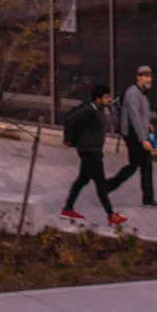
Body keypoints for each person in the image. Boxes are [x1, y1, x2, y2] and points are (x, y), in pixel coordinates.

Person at [59, 86, 122, 227]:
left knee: (82, 179)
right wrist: (67, 139)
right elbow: (69, 118)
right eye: (106, 97)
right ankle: (111, 215)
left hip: (92, 150)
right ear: (98, 99)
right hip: (89, 151)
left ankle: (67, 209)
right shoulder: (89, 109)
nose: (109, 99)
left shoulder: (98, 110)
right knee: (101, 183)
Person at [115, 63, 157, 210]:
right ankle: (106, 187)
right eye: (145, 76)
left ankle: (148, 199)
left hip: (138, 133)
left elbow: (142, 115)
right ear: (138, 77)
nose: (148, 79)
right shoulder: (133, 94)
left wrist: (148, 125)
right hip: (133, 135)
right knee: (136, 166)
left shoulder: (141, 92)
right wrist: (143, 139)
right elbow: (135, 118)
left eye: (149, 76)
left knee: (142, 166)